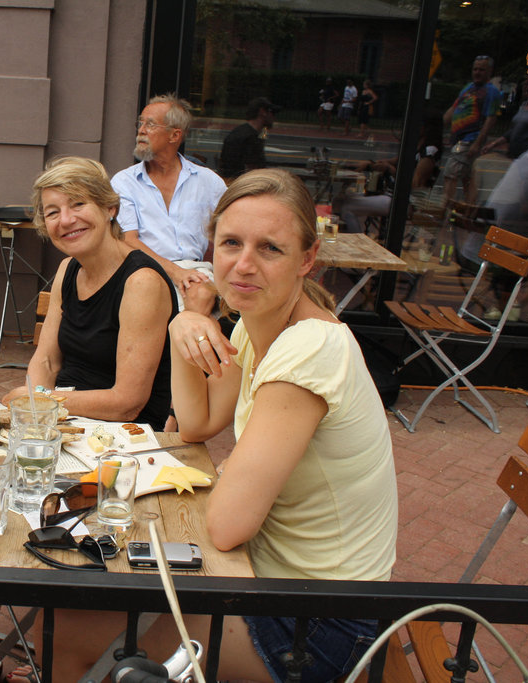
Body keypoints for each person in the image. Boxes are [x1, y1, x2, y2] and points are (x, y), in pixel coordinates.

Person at [168, 168, 397, 681]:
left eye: (269, 248)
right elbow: (197, 424)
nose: (243, 265)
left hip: (322, 623)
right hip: (278, 584)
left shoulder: (309, 348)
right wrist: (182, 325)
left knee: (89, 620)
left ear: (307, 260)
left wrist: (229, 476)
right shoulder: (260, 325)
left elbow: (227, 525)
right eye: (230, 243)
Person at [2, 156, 177, 430]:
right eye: (52, 212)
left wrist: (41, 401)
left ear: (110, 208)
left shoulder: (142, 282)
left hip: (123, 436)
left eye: (78, 204)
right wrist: (34, 418)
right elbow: (47, 361)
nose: (67, 220)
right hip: (65, 420)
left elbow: (127, 403)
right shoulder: (67, 269)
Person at [110, 93, 227, 310]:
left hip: (193, 269)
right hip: (143, 266)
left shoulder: (207, 181)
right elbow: (128, 241)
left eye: (151, 124)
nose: (141, 130)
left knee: (201, 292)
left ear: (174, 135)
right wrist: (175, 272)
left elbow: (233, 228)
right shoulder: (124, 181)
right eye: (141, 123)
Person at [339, 113, 443, 233]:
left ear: (425, 127)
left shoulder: (429, 152)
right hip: (393, 196)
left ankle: (356, 241)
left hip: (406, 202)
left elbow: (415, 185)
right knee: (343, 199)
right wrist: (369, 164)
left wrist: (390, 169)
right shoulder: (417, 147)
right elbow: (392, 161)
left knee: (347, 206)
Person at [443, 55, 502, 208]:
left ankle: (445, 209)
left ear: (489, 71)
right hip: (458, 139)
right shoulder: (468, 88)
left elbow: (490, 119)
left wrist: (477, 143)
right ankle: (469, 209)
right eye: (475, 69)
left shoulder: (491, 92)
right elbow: (454, 108)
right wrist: (439, 124)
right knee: (468, 178)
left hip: (469, 140)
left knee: (451, 173)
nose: (477, 72)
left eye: (481, 70)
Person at [482, 70, 528, 159]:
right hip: (515, 155)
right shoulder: (525, 105)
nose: (526, 90)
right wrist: (494, 144)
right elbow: (514, 130)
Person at [218, 97, 279, 181]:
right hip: (239, 182)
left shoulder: (242, 131)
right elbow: (253, 170)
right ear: (262, 112)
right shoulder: (250, 138)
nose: (274, 117)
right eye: (272, 112)